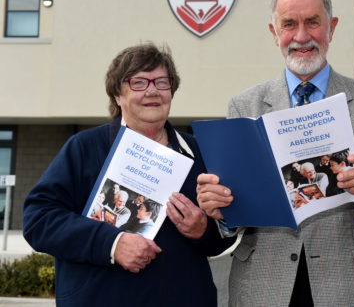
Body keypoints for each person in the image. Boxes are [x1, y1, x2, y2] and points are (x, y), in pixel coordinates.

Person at [196, 0, 354, 306]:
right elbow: (234, 215)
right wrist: (221, 207)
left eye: (312, 22)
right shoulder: (244, 106)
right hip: (264, 286)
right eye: (289, 24)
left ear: (332, 27)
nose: (302, 36)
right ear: (274, 33)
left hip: (350, 287)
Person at [23, 43, 234, 306]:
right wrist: (112, 244)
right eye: (138, 83)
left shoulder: (199, 152)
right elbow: (39, 220)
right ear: (117, 96)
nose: (153, 91)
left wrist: (203, 230)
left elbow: (221, 239)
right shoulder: (84, 148)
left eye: (162, 82)